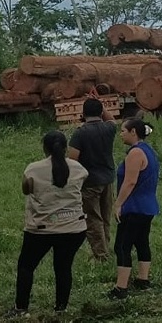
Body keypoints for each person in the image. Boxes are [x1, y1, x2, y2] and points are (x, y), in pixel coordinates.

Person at [6, 131, 89, 318]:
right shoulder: (79, 168)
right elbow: (81, 184)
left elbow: (26, 189)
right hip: (73, 227)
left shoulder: (33, 169)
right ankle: (61, 309)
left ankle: (21, 309)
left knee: (26, 266)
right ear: (66, 148)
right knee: (63, 267)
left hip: (41, 228)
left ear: (44, 148)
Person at [108, 118, 160, 300]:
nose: (120, 134)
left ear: (133, 132)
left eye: (123, 130)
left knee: (122, 245)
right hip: (148, 205)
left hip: (134, 206)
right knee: (141, 242)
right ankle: (142, 280)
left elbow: (130, 181)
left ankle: (121, 288)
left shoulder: (135, 153)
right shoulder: (148, 150)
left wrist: (118, 203)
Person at [68, 96, 117, 261]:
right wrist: (102, 107)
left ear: (83, 113)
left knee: (93, 218)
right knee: (105, 217)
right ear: (100, 112)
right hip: (108, 179)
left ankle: (100, 255)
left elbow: (73, 160)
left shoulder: (80, 133)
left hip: (89, 182)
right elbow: (112, 120)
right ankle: (105, 247)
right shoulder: (109, 129)